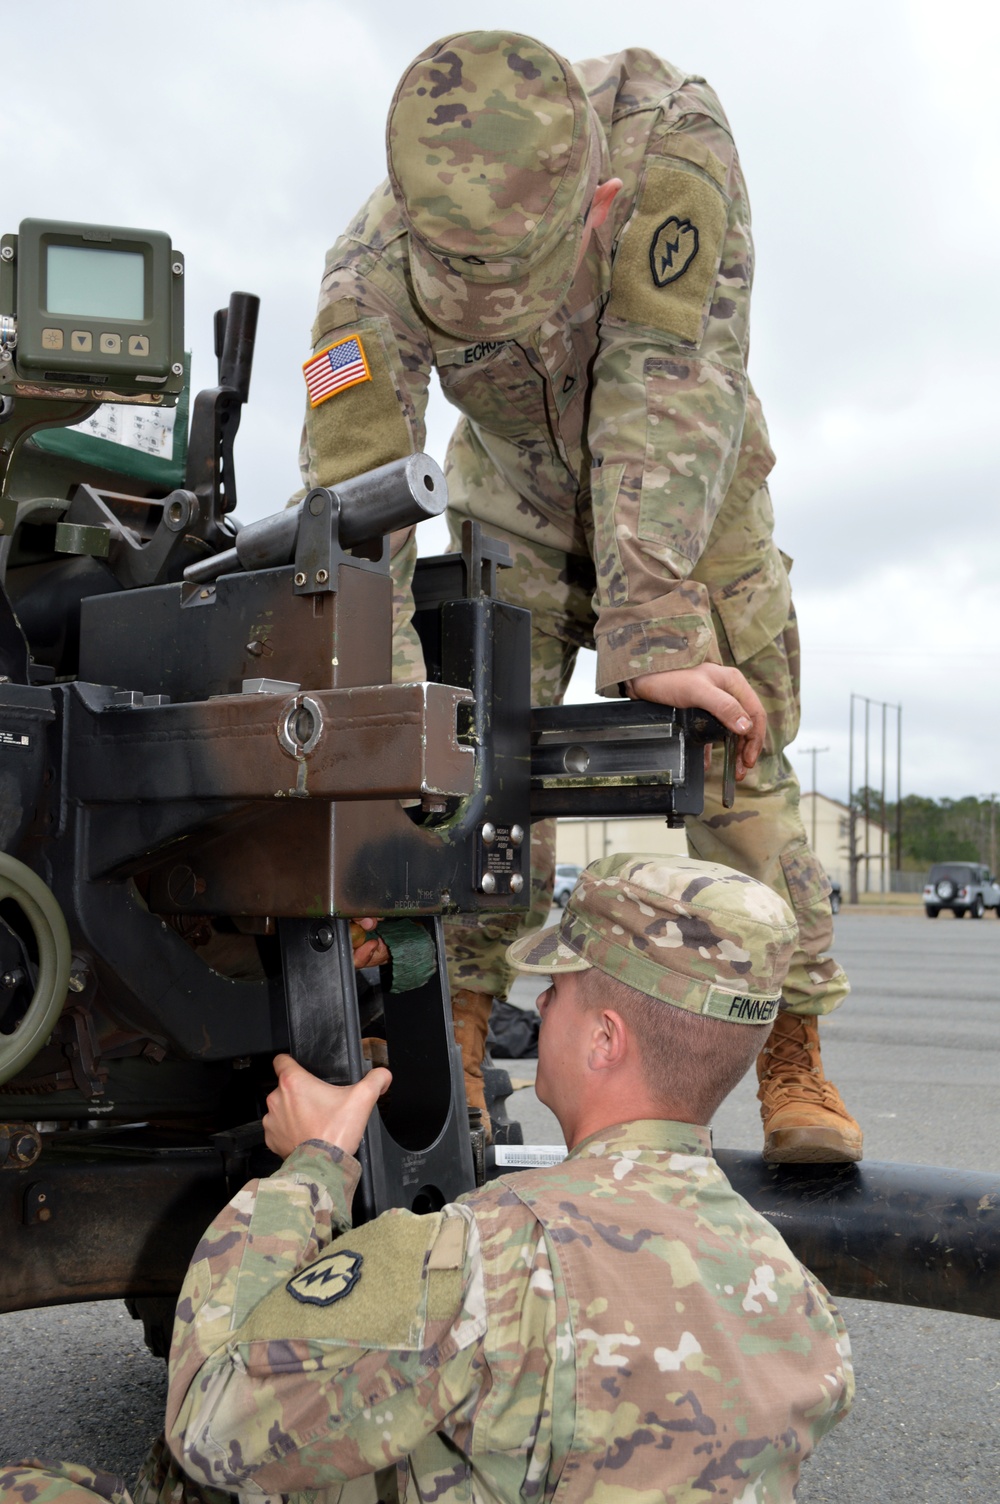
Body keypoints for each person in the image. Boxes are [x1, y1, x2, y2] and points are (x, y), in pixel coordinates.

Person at [296, 30, 861, 1165]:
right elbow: (358, 507)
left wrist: (650, 622)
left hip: (688, 496)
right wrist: (397, 718)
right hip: (511, 503)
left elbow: (672, 379)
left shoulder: (673, 148)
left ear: (597, 204)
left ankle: (791, 1043)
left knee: (728, 742)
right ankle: (451, 1027)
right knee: (472, 757)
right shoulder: (369, 272)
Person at [162, 854, 853, 1503]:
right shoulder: (801, 1303)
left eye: (556, 990)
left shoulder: (484, 1260)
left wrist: (310, 1165)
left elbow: (210, 1417)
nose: (542, 1008)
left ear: (604, 1039)